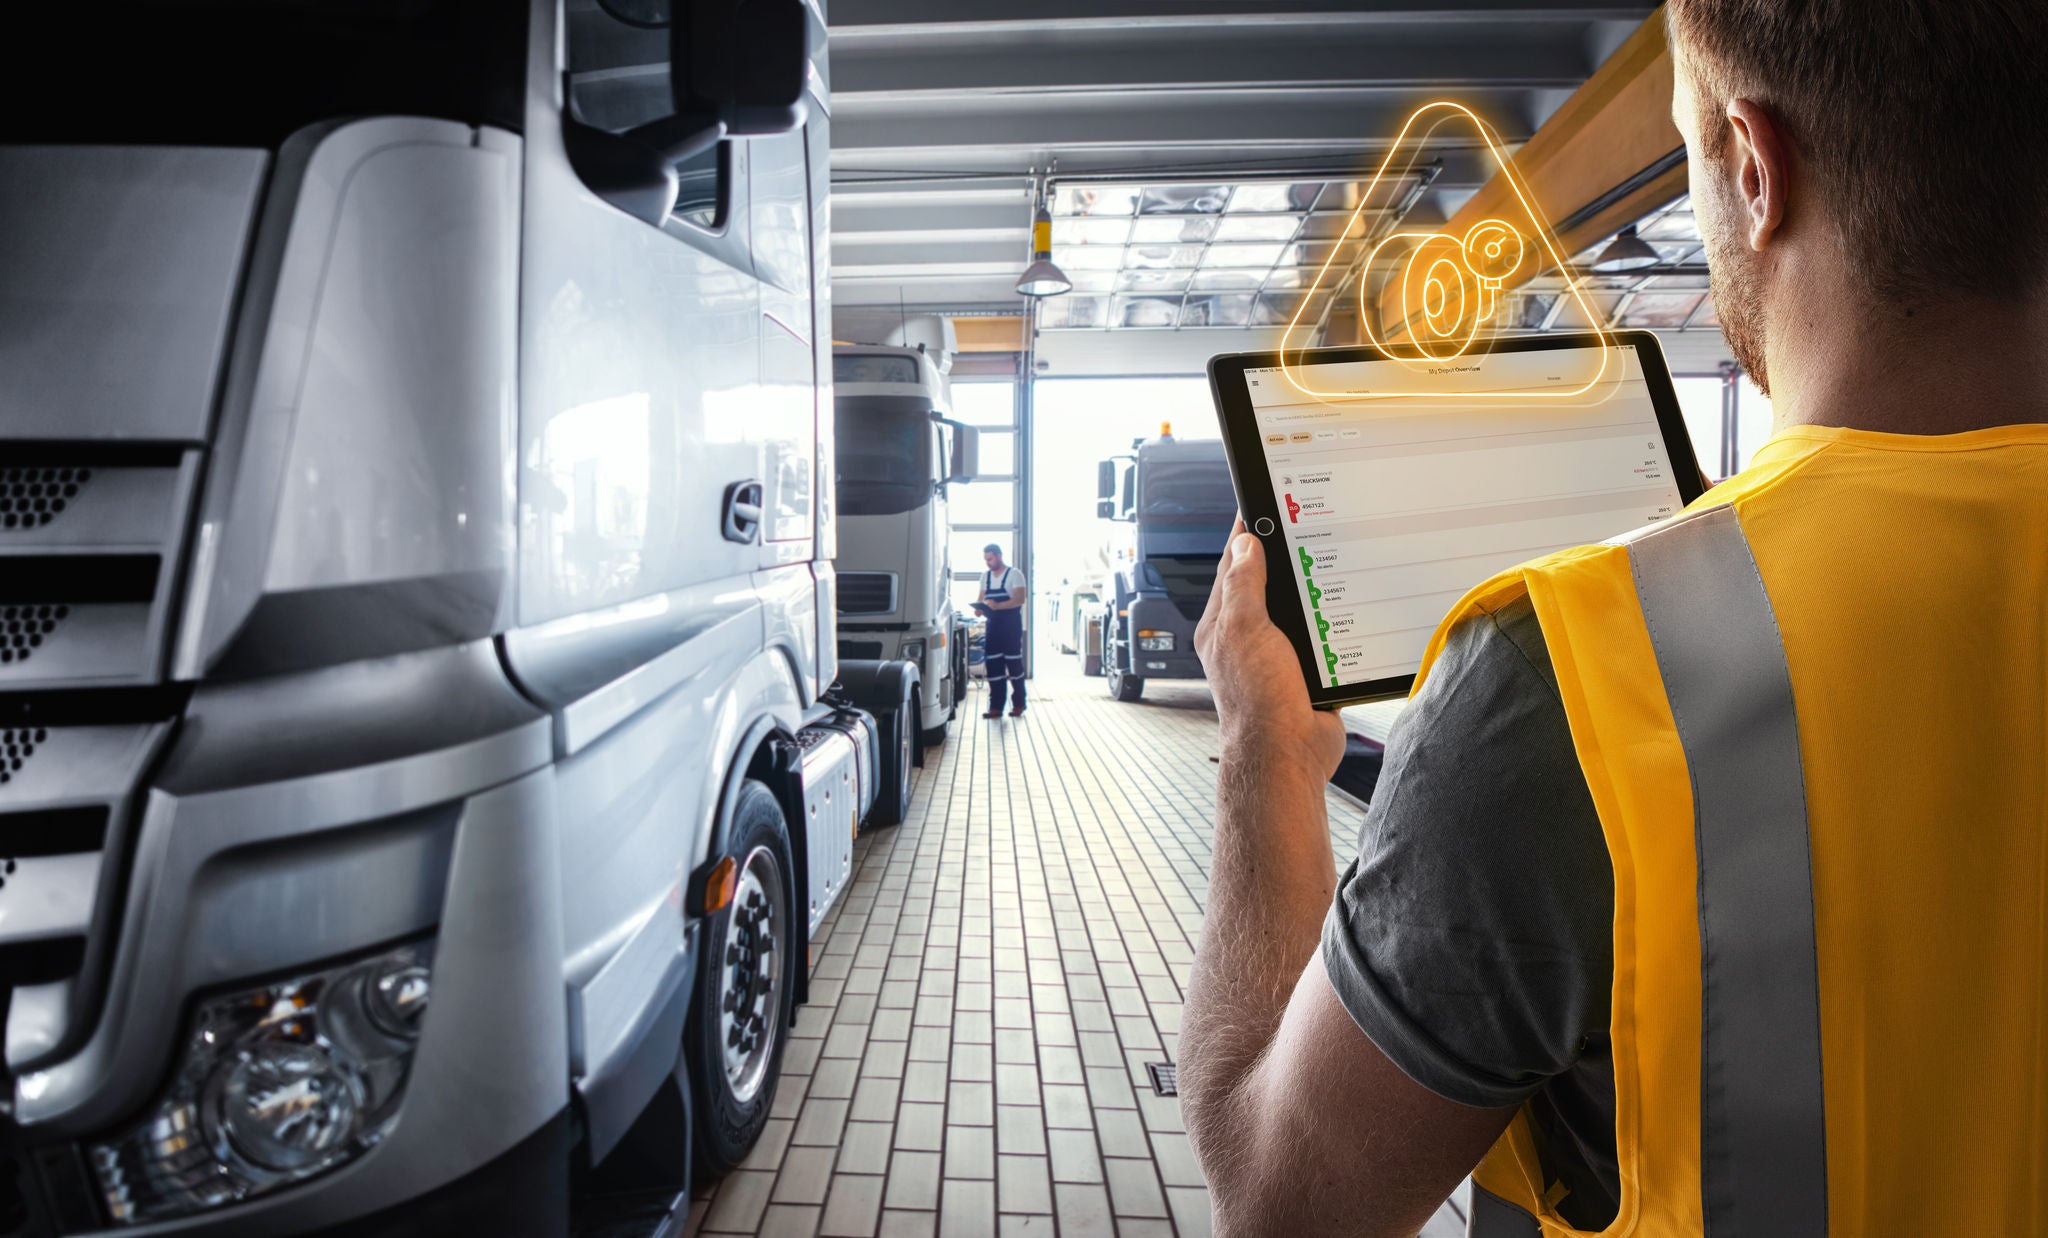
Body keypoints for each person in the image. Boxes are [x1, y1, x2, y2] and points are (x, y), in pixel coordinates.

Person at [1180, 2, 2048, 1236]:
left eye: (1691, 154)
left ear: (1754, 170)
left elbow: (1279, 1197)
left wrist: (1265, 744)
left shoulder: (1566, 675)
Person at [977, 543, 1028, 718]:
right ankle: (996, 707)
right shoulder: (985, 577)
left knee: (1014, 668)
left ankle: (1019, 704)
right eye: (986, 559)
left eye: (990, 559)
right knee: (994, 669)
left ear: (999, 556)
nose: (988, 563)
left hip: (1010, 628)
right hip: (992, 629)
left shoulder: (1015, 574)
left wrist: (997, 606)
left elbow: (1020, 599)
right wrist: (979, 609)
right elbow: (981, 599)